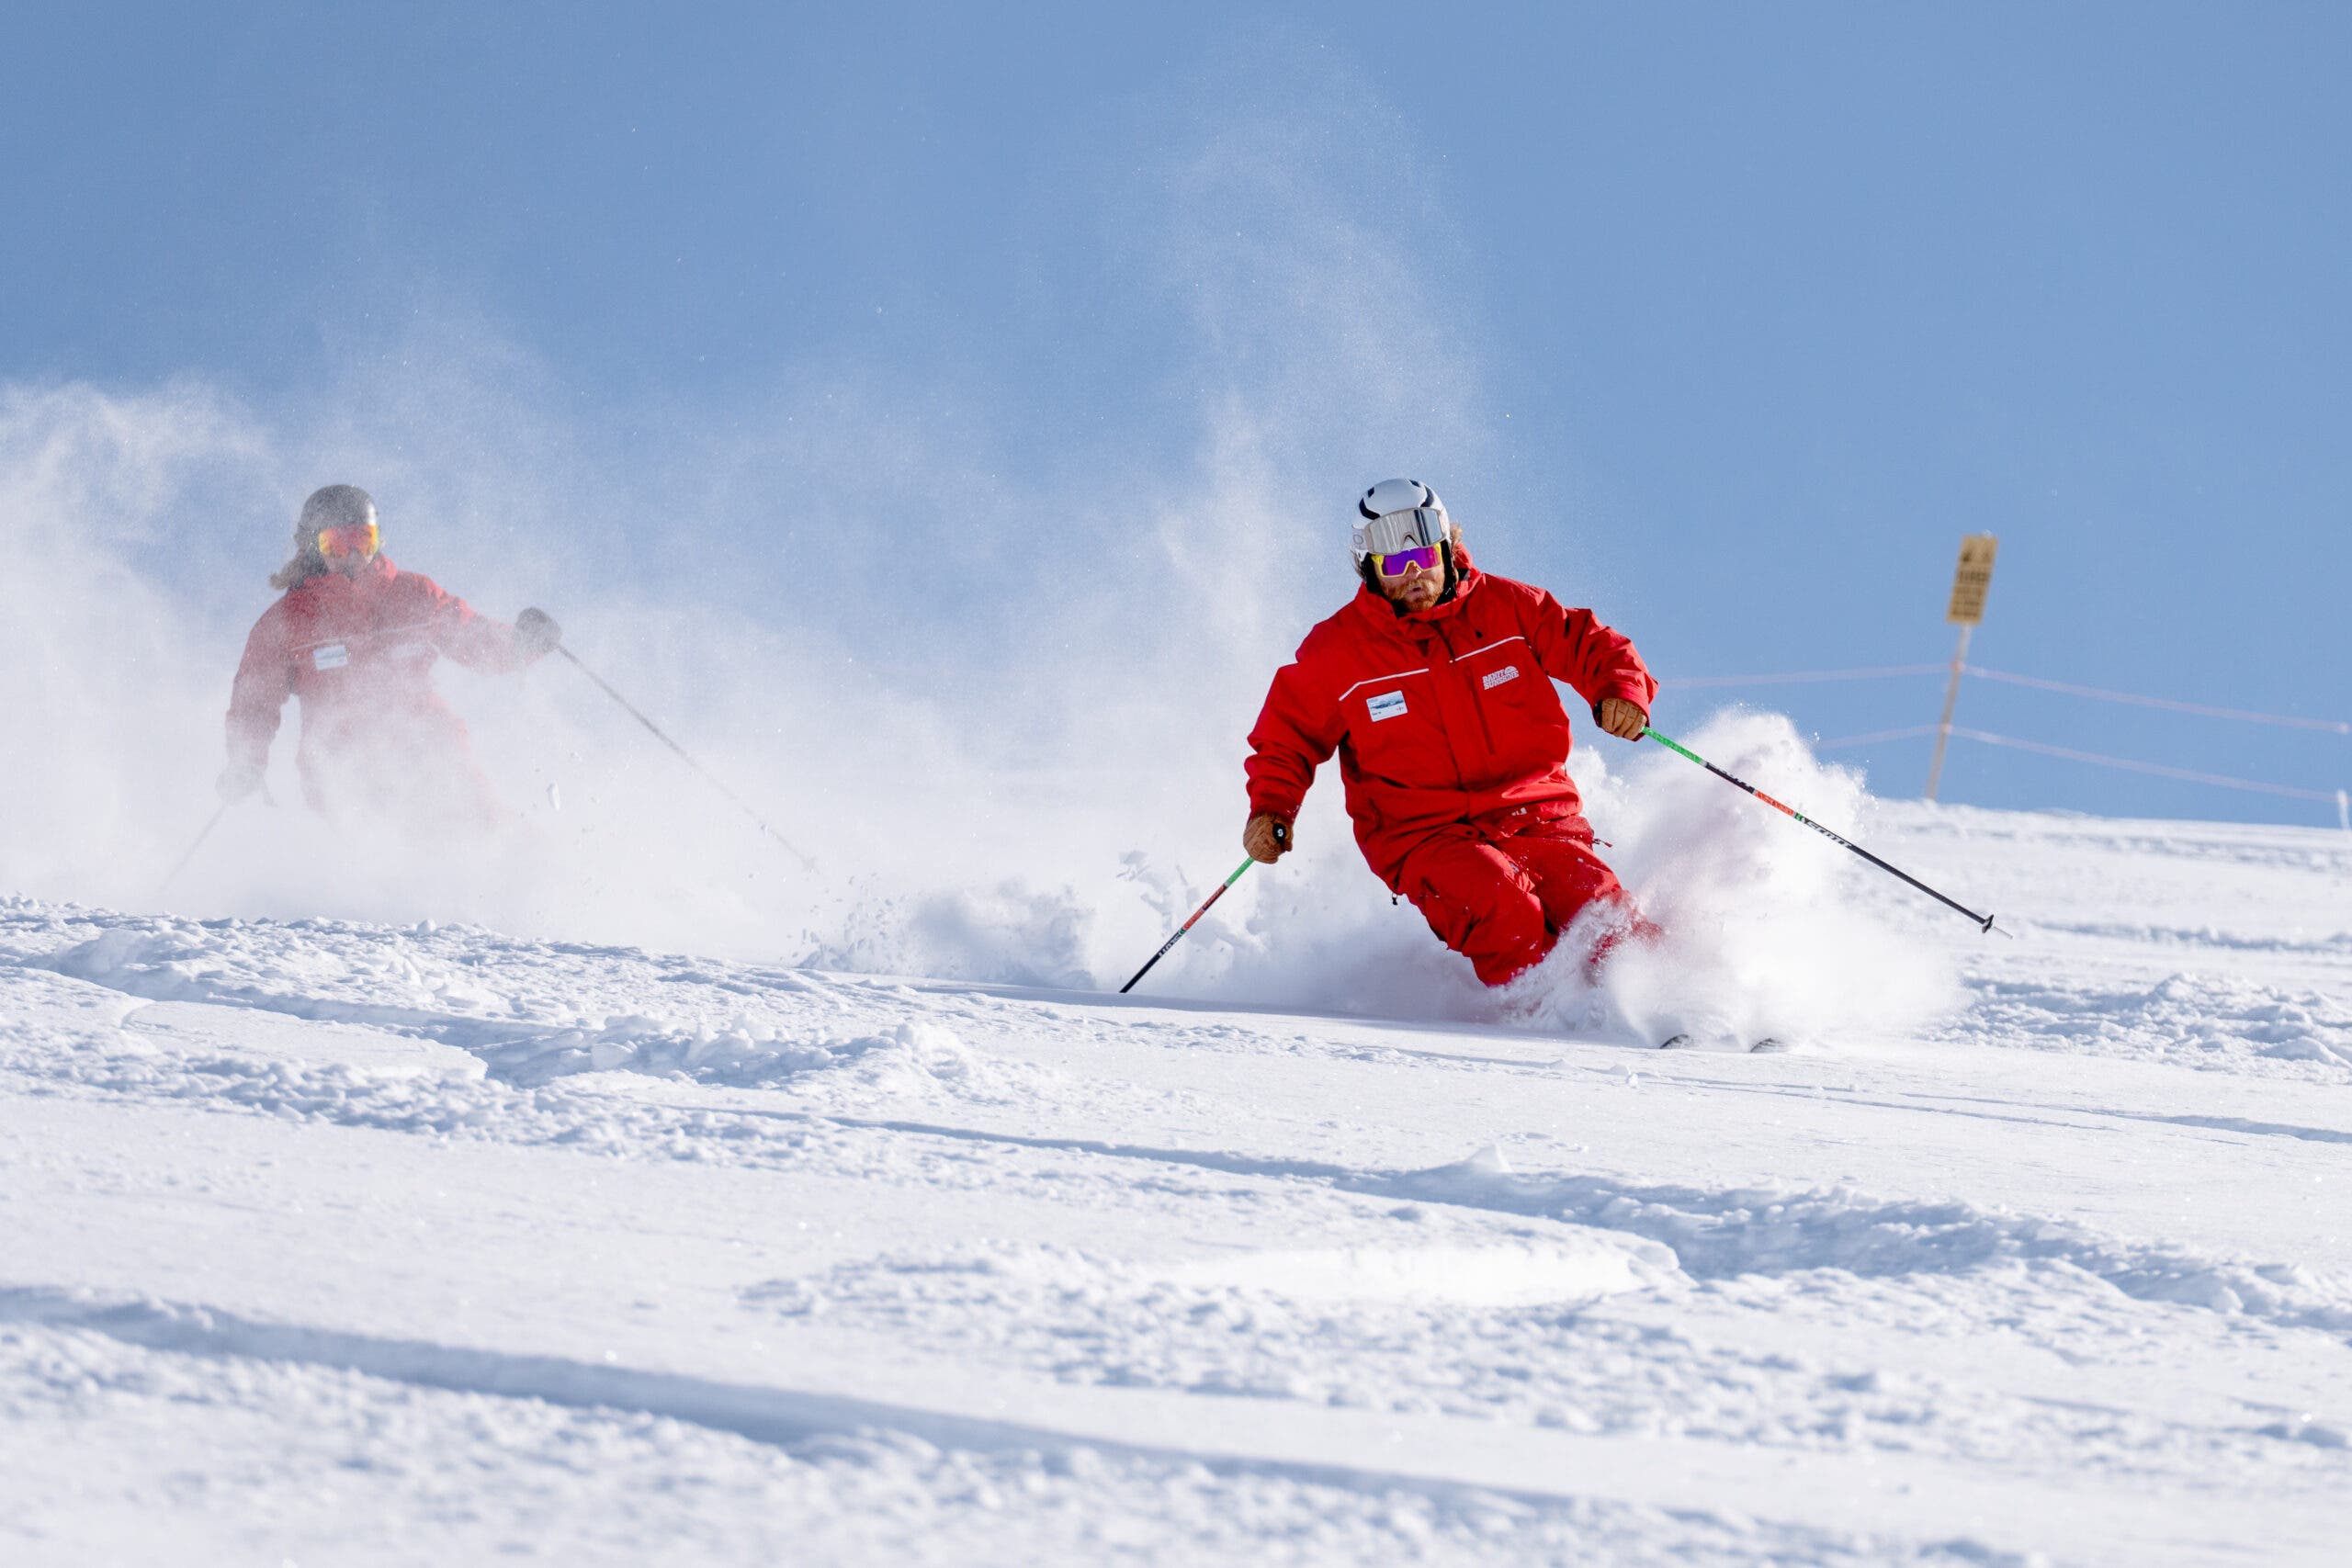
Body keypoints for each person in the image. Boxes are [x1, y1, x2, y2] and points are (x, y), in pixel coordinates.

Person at [1242, 479, 1658, 987]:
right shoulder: (1339, 651)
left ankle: (1677, 1005)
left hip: (1535, 813)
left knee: (1596, 906)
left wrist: (1621, 690)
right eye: (1395, 564)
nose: (1414, 573)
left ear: (1445, 546)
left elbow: (1589, 643)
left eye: (1422, 555)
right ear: (1371, 571)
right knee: (1503, 904)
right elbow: (1287, 735)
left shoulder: (1509, 608)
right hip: (1425, 834)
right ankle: (1547, 1021)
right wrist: (1271, 808)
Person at [219, 484, 563, 840]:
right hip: (339, 768)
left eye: (363, 540)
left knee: (493, 834)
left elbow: (471, 637)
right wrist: (246, 760)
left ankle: (546, 878)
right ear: (312, 547)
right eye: (336, 543)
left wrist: (522, 644)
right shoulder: (290, 620)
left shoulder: (412, 593)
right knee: (372, 858)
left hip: (428, 749)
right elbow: (254, 698)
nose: (352, 553)